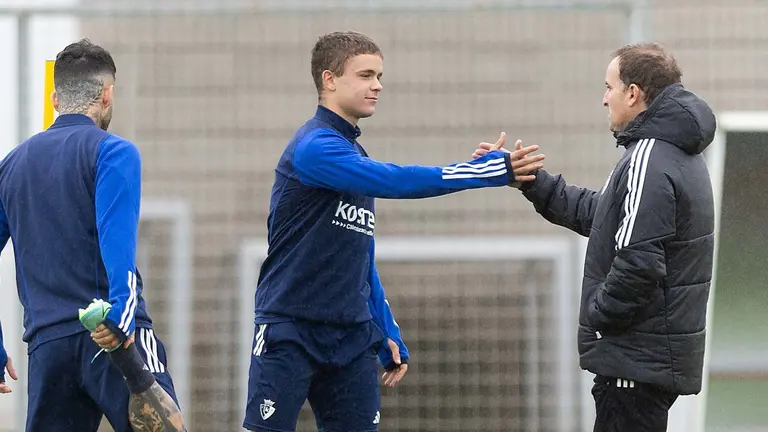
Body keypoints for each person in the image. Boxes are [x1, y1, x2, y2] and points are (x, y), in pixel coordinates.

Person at [243, 31, 544, 432]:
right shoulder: (314, 148)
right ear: (329, 80)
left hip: (352, 337)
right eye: (366, 75)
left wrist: (383, 326)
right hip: (291, 331)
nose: (377, 85)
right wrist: (483, 171)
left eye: (379, 75)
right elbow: (396, 180)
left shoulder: (353, 151)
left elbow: (359, 257)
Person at [474, 42, 716, 431]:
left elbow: (639, 262)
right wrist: (529, 179)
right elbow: (604, 217)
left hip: (634, 362)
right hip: (644, 362)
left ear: (633, 93)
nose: (604, 99)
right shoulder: (671, 152)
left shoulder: (650, 157)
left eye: (609, 87)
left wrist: (599, 316)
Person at [0, 39, 186, 432]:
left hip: (48, 347)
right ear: (106, 95)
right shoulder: (114, 151)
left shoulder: (11, 166)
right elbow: (117, 244)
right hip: (110, 334)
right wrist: (122, 321)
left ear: (54, 98)